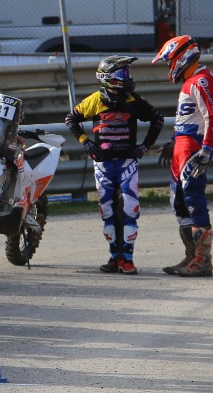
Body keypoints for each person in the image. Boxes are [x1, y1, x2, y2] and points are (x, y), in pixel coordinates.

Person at [64, 56, 165, 274]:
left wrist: (145, 146)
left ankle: (127, 259)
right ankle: (113, 257)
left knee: (129, 208)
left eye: (128, 73)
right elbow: (71, 119)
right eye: (123, 74)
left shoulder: (134, 100)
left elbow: (157, 119)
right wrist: (86, 142)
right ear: (107, 78)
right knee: (107, 211)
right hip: (103, 163)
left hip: (127, 161)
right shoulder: (95, 100)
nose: (128, 78)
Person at [152, 36, 213, 277]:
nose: (169, 67)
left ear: (181, 57)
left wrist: (206, 150)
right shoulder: (193, 80)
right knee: (179, 203)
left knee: (193, 200)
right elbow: (189, 118)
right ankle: (191, 256)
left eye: (169, 61)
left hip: (193, 149)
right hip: (183, 147)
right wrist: (173, 142)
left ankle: (202, 261)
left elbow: (212, 117)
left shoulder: (202, 81)